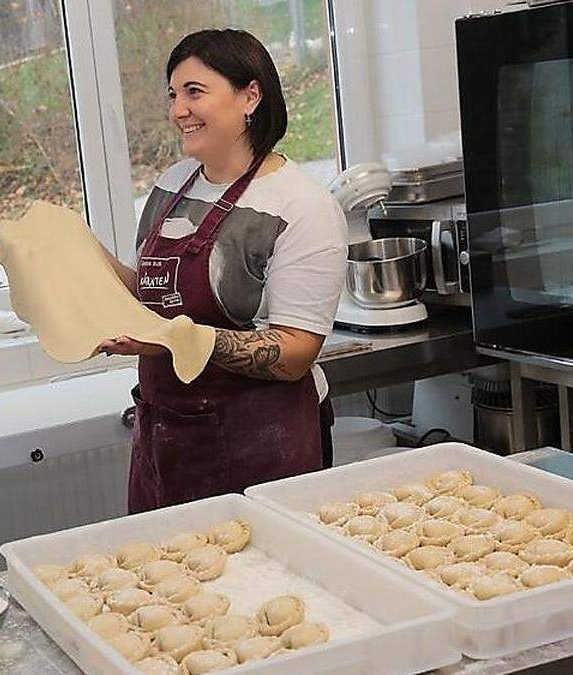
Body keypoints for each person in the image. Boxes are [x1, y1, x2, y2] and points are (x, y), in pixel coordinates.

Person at [99, 29, 346, 513]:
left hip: (261, 447)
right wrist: (79, 259)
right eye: (173, 95)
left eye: (195, 92)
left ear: (250, 95)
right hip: (166, 439)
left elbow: (295, 352)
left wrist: (174, 341)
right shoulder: (173, 186)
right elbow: (150, 299)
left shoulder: (301, 205)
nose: (177, 111)